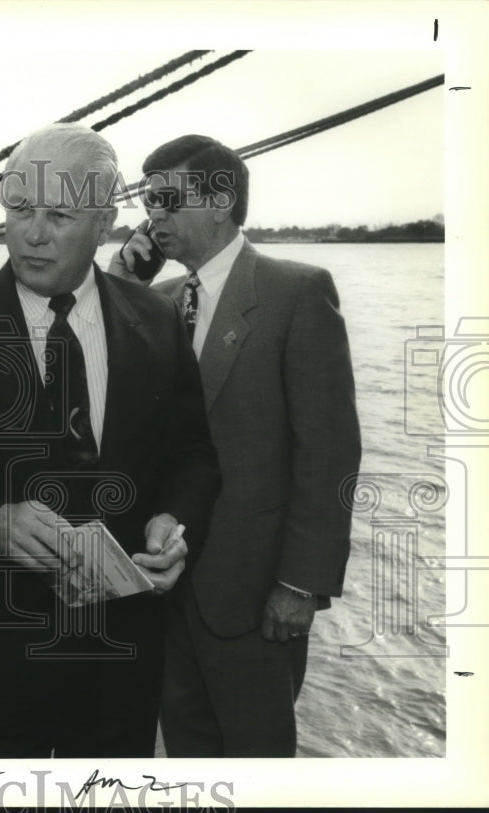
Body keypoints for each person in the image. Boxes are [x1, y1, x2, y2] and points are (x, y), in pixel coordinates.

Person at [0, 123, 220, 758]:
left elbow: (192, 454)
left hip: (124, 655)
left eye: (59, 215)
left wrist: (175, 525)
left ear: (104, 222)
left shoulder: (155, 318)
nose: (31, 233)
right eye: (18, 210)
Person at [110, 134, 362, 757]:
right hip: (162, 589)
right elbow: (117, 420)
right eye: (148, 201)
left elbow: (329, 453)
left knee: (259, 761)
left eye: (167, 197)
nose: (154, 215)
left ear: (220, 201)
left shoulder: (296, 292)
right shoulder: (156, 303)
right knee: (191, 759)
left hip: (254, 596)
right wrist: (120, 285)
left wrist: (301, 586)